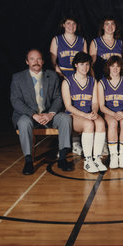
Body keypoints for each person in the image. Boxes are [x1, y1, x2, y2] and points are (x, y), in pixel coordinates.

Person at [11, 49, 73, 175]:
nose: (36, 62)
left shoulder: (52, 75)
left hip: (48, 114)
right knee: (23, 123)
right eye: (32, 59)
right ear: (27, 62)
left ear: (43, 61)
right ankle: (29, 160)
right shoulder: (18, 78)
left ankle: (62, 158)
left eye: (38, 59)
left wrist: (50, 114)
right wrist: (33, 115)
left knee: (65, 119)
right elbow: (16, 101)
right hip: (28, 116)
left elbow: (58, 98)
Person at [61, 52, 107, 173]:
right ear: (76, 65)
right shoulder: (67, 82)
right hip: (74, 115)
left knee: (101, 123)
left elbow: (95, 103)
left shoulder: (93, 81)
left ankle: (97, 158)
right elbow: (68, 106)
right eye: (82, 64)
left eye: (87, 64)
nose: (85, 67)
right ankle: (87, 161)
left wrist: (94, 112)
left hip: (88, 113)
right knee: (89, 124)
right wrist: (85, 116)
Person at [50, 16, 87, 155]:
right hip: (63, 77)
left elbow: (85, 60)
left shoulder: (82, 40)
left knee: (77, 106)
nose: (71, 26)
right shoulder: (57, 39)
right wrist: (61, 75)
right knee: (65, 109)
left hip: (79, 77)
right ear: (63, 25)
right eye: (68, 23)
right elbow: (53, 62)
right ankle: (62, 144)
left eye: (74, 23)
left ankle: (76, 142)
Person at [98, 56, 123, 169]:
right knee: (112, 124)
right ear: (108, 67)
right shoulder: (102, 83)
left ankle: (122, 155)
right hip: (109, 112)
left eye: (118, 66)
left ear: (121, 67)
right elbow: (101, 106)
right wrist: (113, 114)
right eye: (112, 66)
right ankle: (113, 155)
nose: (115, 69)